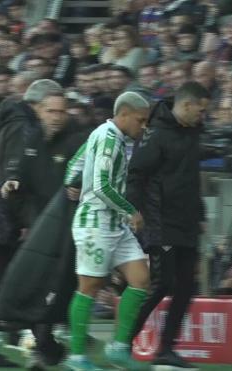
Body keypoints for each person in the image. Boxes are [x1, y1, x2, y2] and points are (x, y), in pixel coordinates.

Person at [0, 79, 73, 368]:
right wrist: (29, 222)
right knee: (9, 281)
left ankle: (39, 344)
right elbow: (16, 181)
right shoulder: (22, 127)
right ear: (36, 106)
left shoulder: (11, 122)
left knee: (24, 281)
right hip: (11, 219)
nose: (55, 115)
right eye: (49, 109)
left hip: (6, 217)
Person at [63, 91, 151, 371]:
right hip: (96, 224)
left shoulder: (110, 136)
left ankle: (118, 349)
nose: (144, 126)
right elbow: (101, 186)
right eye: (141, 120)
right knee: (89, 287)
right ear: (123, 114)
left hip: (115, 225)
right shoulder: (109, 138)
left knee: (141, 279)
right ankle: (77, 357)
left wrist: (71, 182)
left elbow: (74, 162)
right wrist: (131, 211)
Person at [126, 81, 211, 369]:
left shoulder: (191, 133)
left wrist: (199, 215)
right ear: (186, 105)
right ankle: (123, 341)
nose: (203, 116)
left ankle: (166, 348)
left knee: (187, 286)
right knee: (161, 283)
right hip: (161, 220)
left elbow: (191, 179)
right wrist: (134, 210)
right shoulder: (158, 134)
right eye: (200, 110)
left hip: (186, 222)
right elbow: (136, 172)